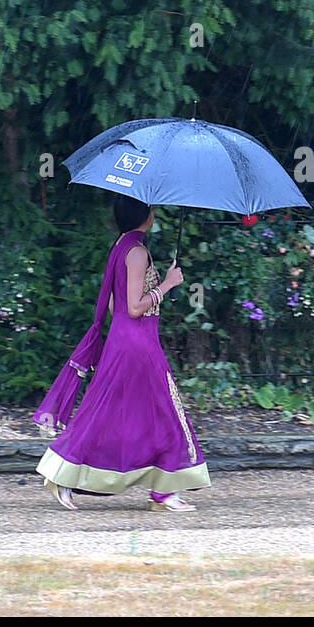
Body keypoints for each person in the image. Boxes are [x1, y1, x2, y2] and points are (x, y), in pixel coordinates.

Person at [32, 195, 209, 512]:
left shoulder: (121, 246)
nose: (154, 212)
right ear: (145, 214)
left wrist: (151, 297)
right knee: (166, 414)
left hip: (125, 341)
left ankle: (65, 475)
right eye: (152, 208)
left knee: (111, 414)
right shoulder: (138, 252)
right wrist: (167, 285)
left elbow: (116, 306)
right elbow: (134, 307)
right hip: (139, 347)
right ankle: (163, 492)